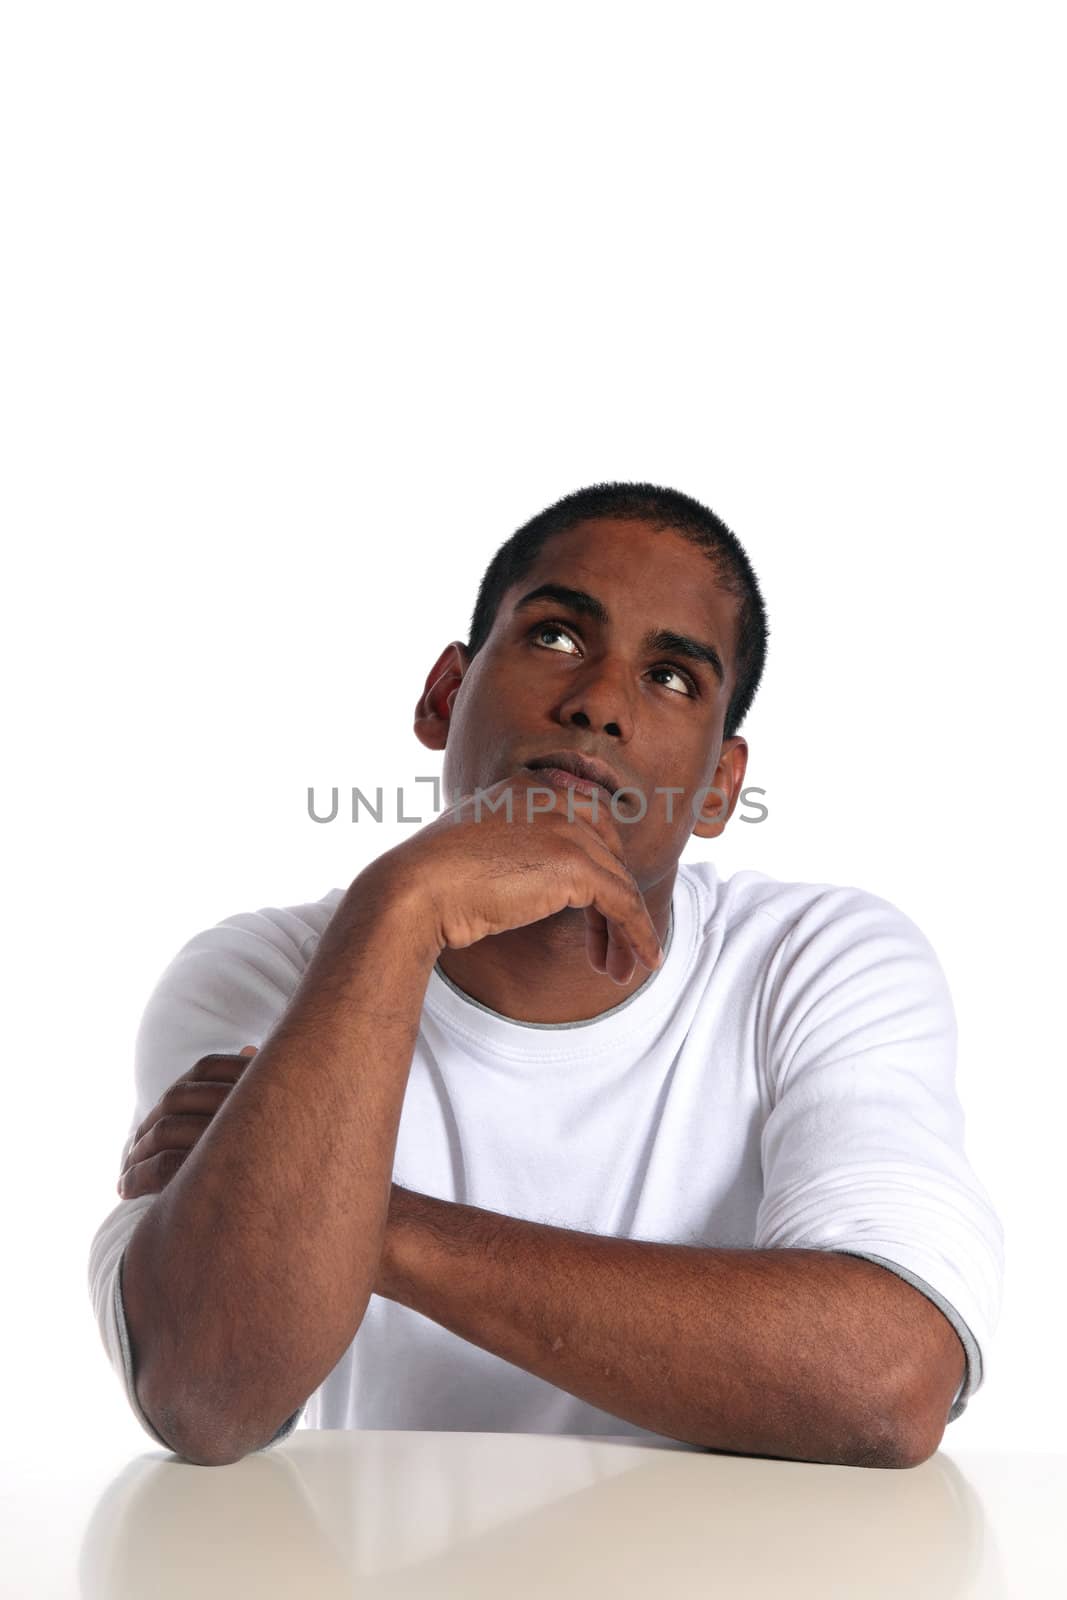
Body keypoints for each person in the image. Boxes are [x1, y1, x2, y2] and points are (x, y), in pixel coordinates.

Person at [88, 482, 1004, 1470]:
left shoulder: (816, 960)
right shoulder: (264, 972)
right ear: (444, 695)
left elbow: (884, 1381)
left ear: (719, 788)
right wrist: (397, 909)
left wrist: (371, 1225)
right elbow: (203, 1392)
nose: (598, 703)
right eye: (557, 637)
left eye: (671, 679)